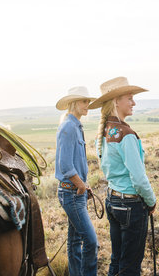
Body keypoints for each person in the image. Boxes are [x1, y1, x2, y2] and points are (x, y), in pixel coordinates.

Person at [89, 77, 156, 276]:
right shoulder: (126, 134)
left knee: (117, 259)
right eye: (130, 98)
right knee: (131, 265)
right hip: (131, 205)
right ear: (116, 101)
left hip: (113, 200)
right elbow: (138, 177)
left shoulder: (106, 131)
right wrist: (151, 201)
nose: (134, 102)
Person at [55, 86, 98, 276]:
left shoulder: (75, 126)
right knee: (90, 241)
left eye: (88, 101)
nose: (87, 105)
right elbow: (65, 165)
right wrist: (80, 184)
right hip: (72, 193)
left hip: (75, 192)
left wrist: (83, 184)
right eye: (83, 101)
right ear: (73, 103)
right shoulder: (69, 127)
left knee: (74, 241)